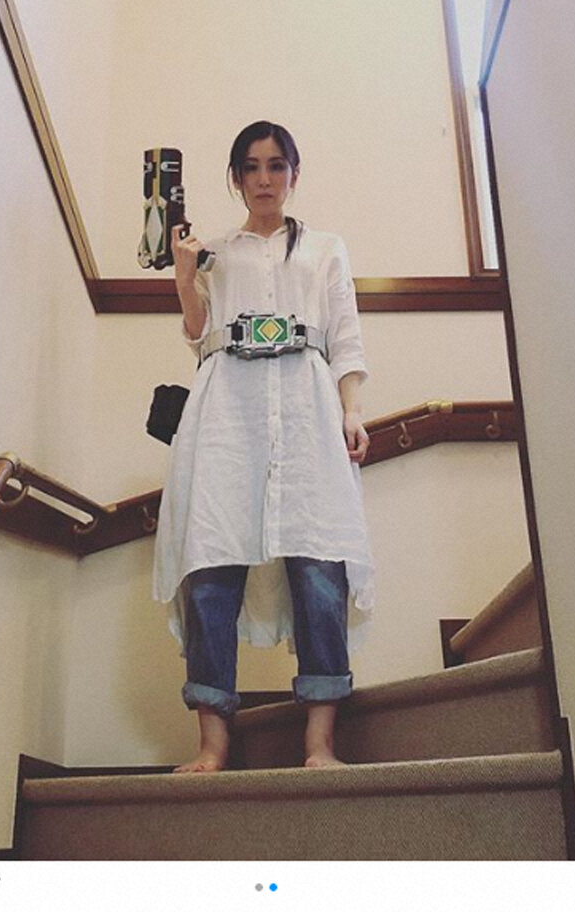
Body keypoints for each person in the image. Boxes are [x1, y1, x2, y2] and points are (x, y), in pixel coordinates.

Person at [153, 120, 374, 773]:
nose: (264, 179)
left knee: (319, 567)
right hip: (227, 417)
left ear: (293, 174)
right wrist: (184, 276)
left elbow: (346, 334)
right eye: (250, 167)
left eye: (276, 166)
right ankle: (211, 746)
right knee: (212, 569)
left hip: (307, 413)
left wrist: (352, 410)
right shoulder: (214, 253)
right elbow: (198, 332)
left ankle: (319, 746)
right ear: (235, 178)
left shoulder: (325, 248)